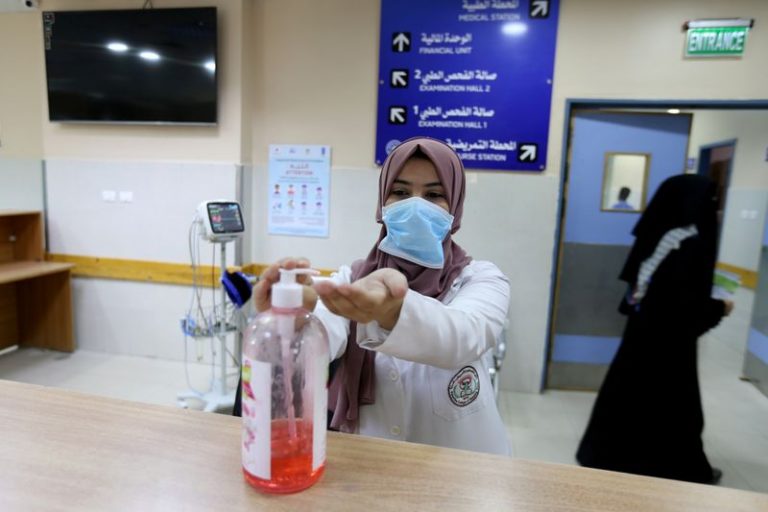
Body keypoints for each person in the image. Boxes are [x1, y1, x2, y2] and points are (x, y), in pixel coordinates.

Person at [237, 136, 512, 456]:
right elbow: (322, 338)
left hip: (462, 466)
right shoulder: (352, 279)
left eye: (434, 194)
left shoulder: (481, 279)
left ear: (456, 206)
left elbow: (464, 336)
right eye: (400, 192)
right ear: (382, 203)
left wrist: (391, 311)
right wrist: (294, 317)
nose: (415, 205)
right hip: (372, 459)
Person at [576, 174, 734, 484]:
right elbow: (684, 306)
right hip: (669, 344)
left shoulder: (658, 233)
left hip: (640, 335)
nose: (712, 208)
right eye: (710, 200)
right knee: (674, 409)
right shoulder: (689, 241)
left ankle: (613, 457)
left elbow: (638, 289)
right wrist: (721, 308)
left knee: (627, 401)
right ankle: (678, 467)